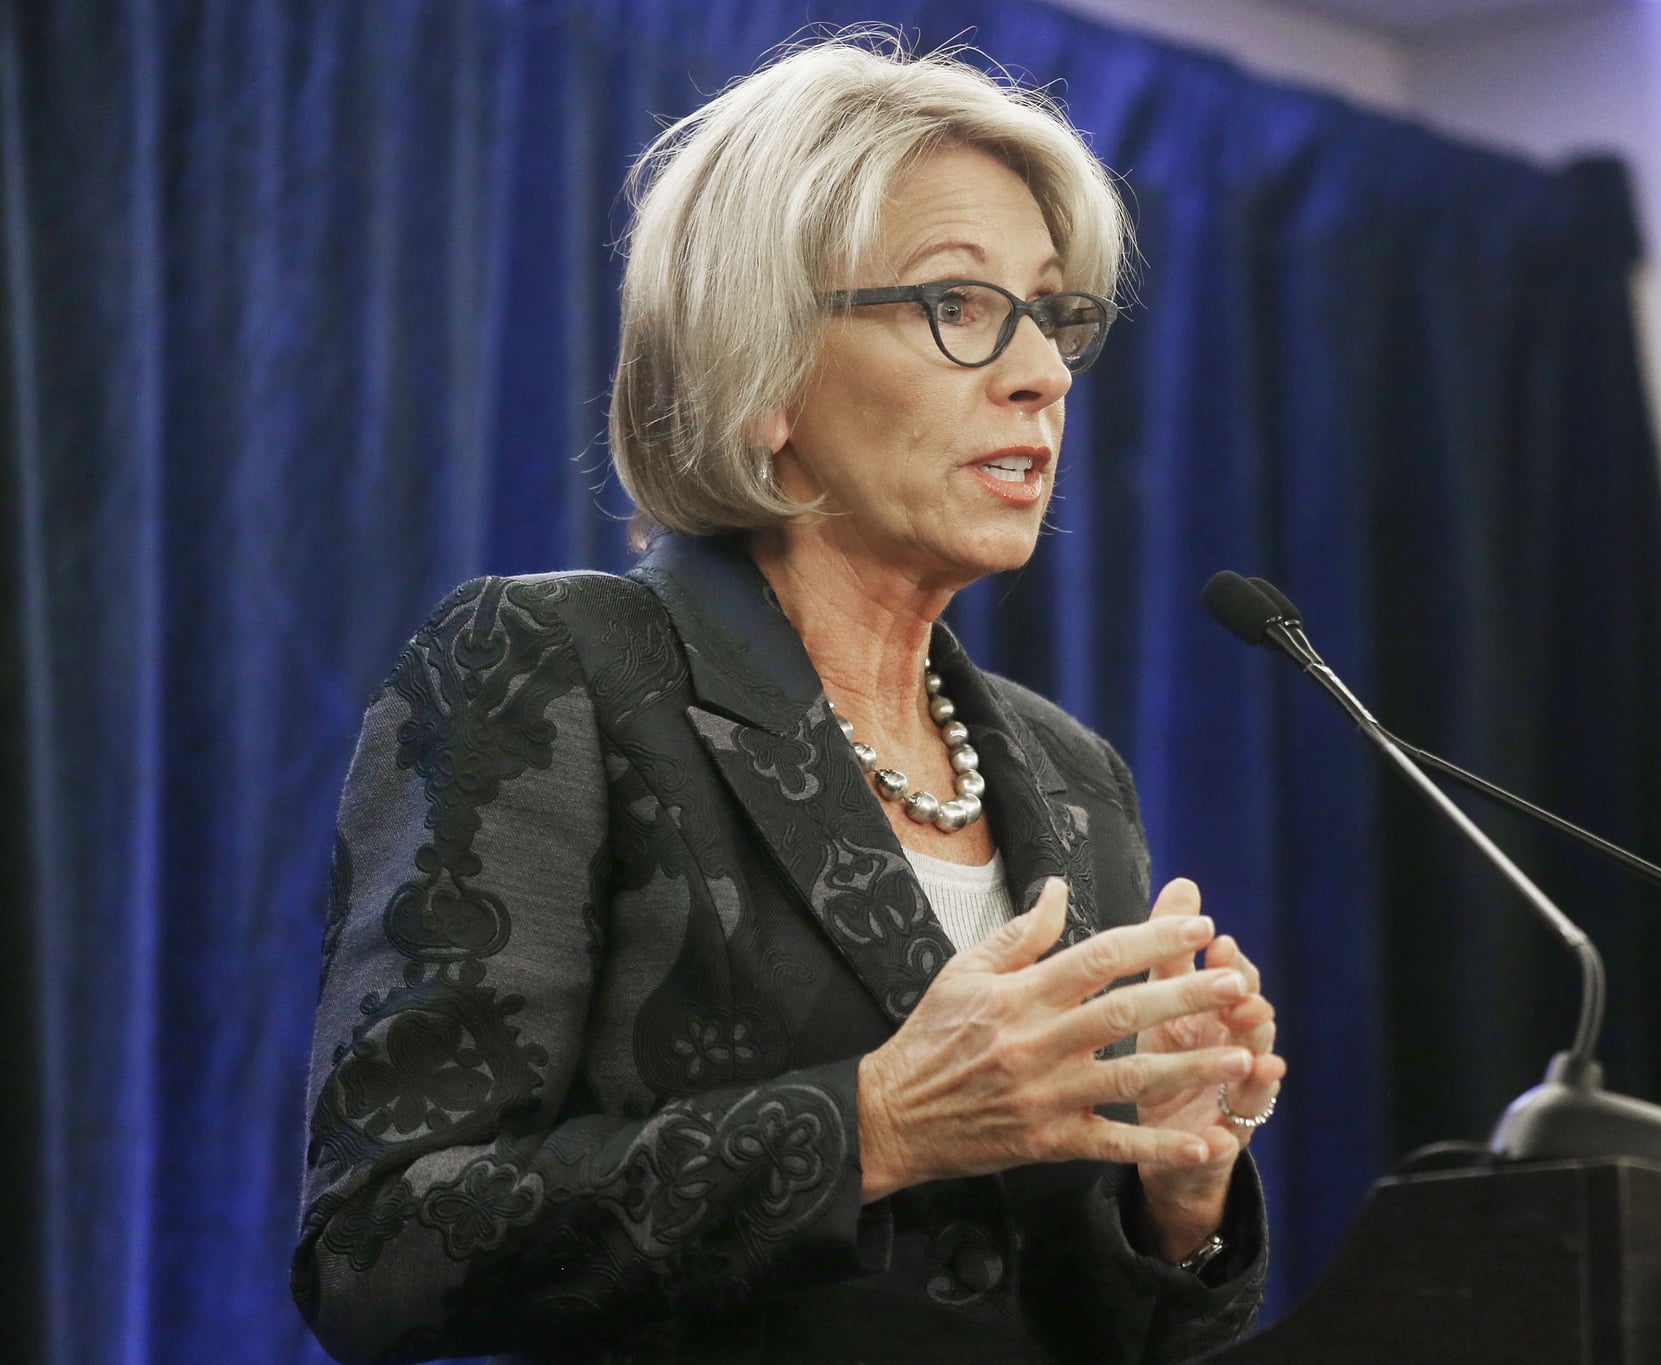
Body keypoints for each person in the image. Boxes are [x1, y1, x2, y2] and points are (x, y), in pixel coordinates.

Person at [292, 34, 1285, 1365]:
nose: (1043, 372)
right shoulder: (556, 667)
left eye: (1054, 314)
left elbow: (1100, 1331)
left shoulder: (1067, 775)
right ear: (762, 378)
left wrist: (1179, 1192)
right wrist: (878, 1120)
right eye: (958, 304)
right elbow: (378, 1248)